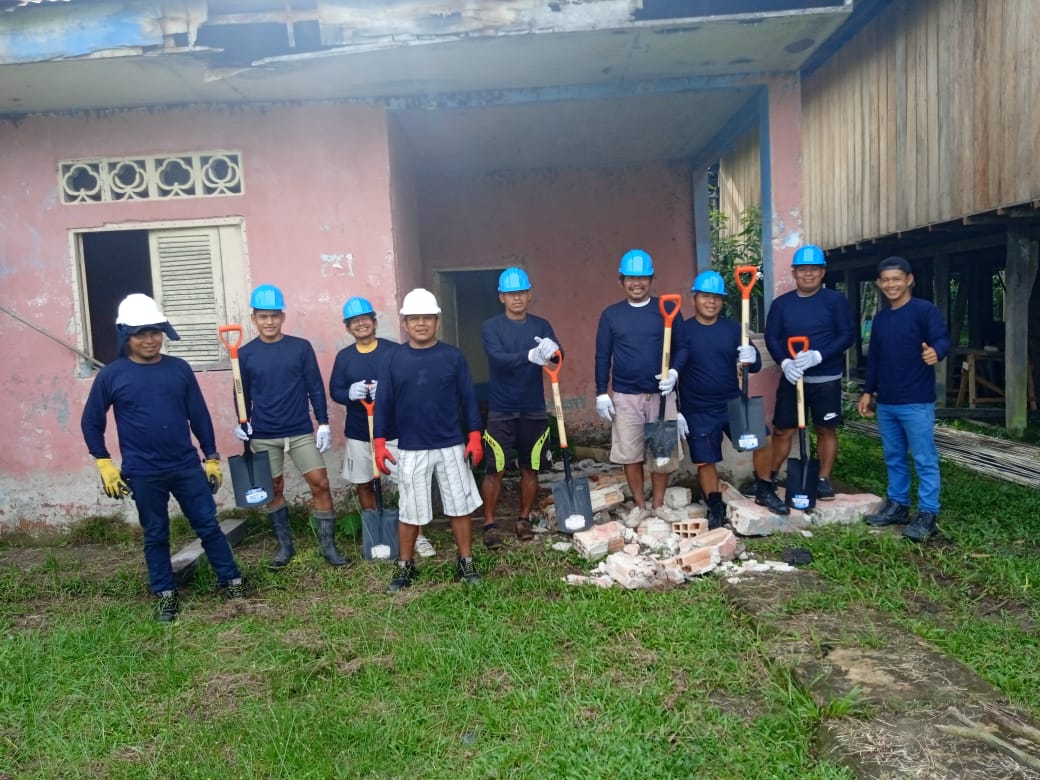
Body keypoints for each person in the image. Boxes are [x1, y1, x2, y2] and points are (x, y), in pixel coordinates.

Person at [81, 294, 244, 622]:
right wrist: (104, 463)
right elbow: (91, 421)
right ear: (126, 335)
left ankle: (232, 582)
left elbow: (199, 415)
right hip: (143, 471)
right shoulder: (111, 375)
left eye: (155, 332)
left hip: (185, 466)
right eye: (141, 333)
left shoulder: (178, 369)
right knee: (156, 533)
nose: (150, 340)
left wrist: (211, 457)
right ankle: (165, 594)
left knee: (208, 525)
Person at [373, 288, 484, 592]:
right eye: (414, 318)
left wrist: (474, 436)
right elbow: (383, 403)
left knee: (460, 505)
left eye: (427, 317)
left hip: (451, 444)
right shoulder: (392, 358)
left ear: (437, 320)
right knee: (410, 509)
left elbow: (468, 398)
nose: (421, 323)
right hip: (411, 446)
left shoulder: (453, 357)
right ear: (405, 323)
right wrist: (379, 442)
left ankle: (466, 561)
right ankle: (405, 565)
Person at [236, 284, 348, 569]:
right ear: (254, 319)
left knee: (320, 483)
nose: (269, 322)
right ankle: (285, 547)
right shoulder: (245, 354)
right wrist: (242, 423)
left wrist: (323, 423)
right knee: (274, 488)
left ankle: (328, 547)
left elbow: (315, 387)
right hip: (264, 434)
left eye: (274, 315)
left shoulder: (300, 347)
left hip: (299, 431)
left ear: (282, 316)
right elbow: (241, 394)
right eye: (263, 316)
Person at [674, 271, 789, 529]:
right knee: (706, 461)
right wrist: (677, 409)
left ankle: (764, 490)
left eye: (716, 297)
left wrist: (752, 356)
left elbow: (755, 365)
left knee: (763, 442)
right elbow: (673, 369)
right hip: (697, 408)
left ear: (722, 301)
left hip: (732, 402)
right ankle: (715, 506)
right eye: (705, 296)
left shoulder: (734, 329)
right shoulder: (683, 331)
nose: (711, 302)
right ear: (694, 298)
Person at [328, 297, 437, 559]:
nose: (361, 324)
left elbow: (411, 384)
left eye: (365, 319)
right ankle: (375, 534)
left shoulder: (393, 351)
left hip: (393, 431)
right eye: (355, 321)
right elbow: (335, 390)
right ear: (348, 328)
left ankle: (418, 536)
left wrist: (389, 390)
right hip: (359, 432)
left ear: (374, 323)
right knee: (364, 484)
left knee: (408, 483)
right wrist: (349, 393)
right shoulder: (344, 357)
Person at [858, 257, 950, 542]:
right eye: (885, 280)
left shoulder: (925, 311)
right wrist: (868, 391)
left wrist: (936, 352)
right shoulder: (881, 319)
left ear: (909, 280)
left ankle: (928, 514)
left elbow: (943, 339)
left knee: (924, 458)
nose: (891, 285)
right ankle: (897, 505)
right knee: (894, 456)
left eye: (896, 279)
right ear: (878, 283)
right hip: (887, 402)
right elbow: (874, 359)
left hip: (917, 401)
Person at [594, 248, 686, 524]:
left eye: (642, 278)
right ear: (621, 281)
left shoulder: (667, 310)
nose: (637, 283)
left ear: (651, 279)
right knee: (630, 454)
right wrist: (601, 392)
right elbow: (602, 355)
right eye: (631, 278)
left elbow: (682, 348)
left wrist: (674, 372)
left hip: (661, 395)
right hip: (626, 396)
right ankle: (640, 505)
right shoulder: (611, 315)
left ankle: (658, 505)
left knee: (662, 453)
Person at [764, 244, 855, 500]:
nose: (808, 274)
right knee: (782, 429)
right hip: (793, 378)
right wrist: (784, 363)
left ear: (822, 272)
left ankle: (823, 479)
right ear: (794, 272)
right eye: (803, 269)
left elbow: (847, 335)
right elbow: (772, 337)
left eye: (814, 269)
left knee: (825, 429)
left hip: (826, 378)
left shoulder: (835, 302)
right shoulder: (781, 305)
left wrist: (819, 355)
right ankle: (770, 476)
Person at [479, 267, 560, 547]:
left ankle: (523, 519)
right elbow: (497, 358)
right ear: (501, 297)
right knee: (495, 469)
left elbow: (557, 357)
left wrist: (553, 351)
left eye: (521, 292)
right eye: (511, 293)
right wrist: (529, 355)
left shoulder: (541, 326)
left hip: (533, 408)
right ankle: (490, 524)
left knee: (530, 467)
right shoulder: (491, 327)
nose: (517, 298)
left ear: (529, 294)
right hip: (501, 408)